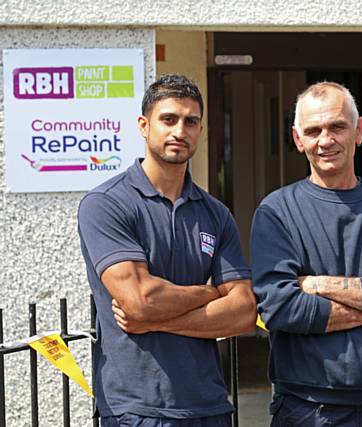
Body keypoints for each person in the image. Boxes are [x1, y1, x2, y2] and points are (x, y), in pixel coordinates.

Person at [78, 74, 256, 427]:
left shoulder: (214, 213)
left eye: (191, 121)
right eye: (169, 119)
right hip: (138, 409)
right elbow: (140, 300)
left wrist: (158, 318)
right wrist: (208, 293)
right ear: (144, 126)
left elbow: (243, 312)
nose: (180, 130)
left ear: (201, 129)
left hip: (209, 404)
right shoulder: (106, 204)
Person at [250, 81, 362, 426]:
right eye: (313, 130)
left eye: (337, 126)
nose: (325, 140)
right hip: (306, 408)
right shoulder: (276, 212)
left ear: (359, 130)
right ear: (297, 138)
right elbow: (280, 307)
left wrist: (317, 285)